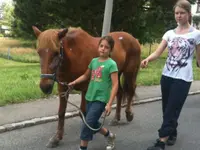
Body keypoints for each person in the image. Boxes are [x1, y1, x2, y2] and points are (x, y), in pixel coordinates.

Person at [141, 0, 200, 150]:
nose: (179, 16)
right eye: (176, 13)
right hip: (166, 76)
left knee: (172, 109)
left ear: (189, 14)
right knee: (166, 108)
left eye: (182, 13)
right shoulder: (169, 33)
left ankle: (161, 142)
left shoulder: (196, 34)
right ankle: (172, 132)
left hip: (183, 78)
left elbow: (199, 59)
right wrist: (148, 59)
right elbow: (158, 51)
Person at [68, 35, 118, 150]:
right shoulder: (94, 61)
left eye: (106, 47)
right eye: (101, 46)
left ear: (110, 50)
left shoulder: (112, 64)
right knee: (92, 122)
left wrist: (109, 103)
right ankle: (110, 135)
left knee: (86, 125)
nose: (103, 49)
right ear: (98, 47)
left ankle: (82, 148)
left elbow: (115, 85)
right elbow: (86, 75)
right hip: (89, 97)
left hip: (101, 99)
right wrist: (74, 82)